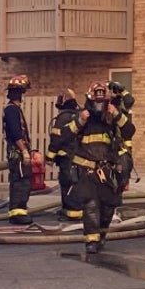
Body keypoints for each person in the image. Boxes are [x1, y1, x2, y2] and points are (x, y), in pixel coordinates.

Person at [58, 81, 136, 254]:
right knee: (91, 205)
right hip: (87, 171)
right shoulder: (81, 115)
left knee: (108, 207)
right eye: (96, 101)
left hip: (108, 171)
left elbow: (130, 130)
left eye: (103, 101)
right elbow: (63, 136)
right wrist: (80, 121)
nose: (99, 105)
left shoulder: (112, 117)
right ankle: (91, 241)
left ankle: (101, 235)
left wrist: (116, 115)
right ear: (89, 100)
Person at [2, 74, 39, 225]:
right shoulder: (12, 110)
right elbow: (16, 132)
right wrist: (24, 151)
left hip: (18, 152)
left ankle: (19, 210)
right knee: (21, 182)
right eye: (22, 92)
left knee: (22, 181)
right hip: (17, 153)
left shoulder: (14, 109)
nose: (23, 95)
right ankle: (18, 213)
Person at [45, 88, 83, 222]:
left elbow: (56, 139)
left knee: (68, 183)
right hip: (79, 158)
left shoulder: (63, 117)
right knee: (76, 183)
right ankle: (70, 210)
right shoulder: (80, 115)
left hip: (67, 158)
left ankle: (72, 212)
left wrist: (49, 157)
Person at [108, 82, 136, 190]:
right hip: (110, 140)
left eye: (112, 90)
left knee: (125, 161)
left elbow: (130, 101)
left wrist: (122, 90)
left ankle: (125, 182)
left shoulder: (121, 104)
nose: (111, 93)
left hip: (123, 139)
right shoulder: (105, 105)